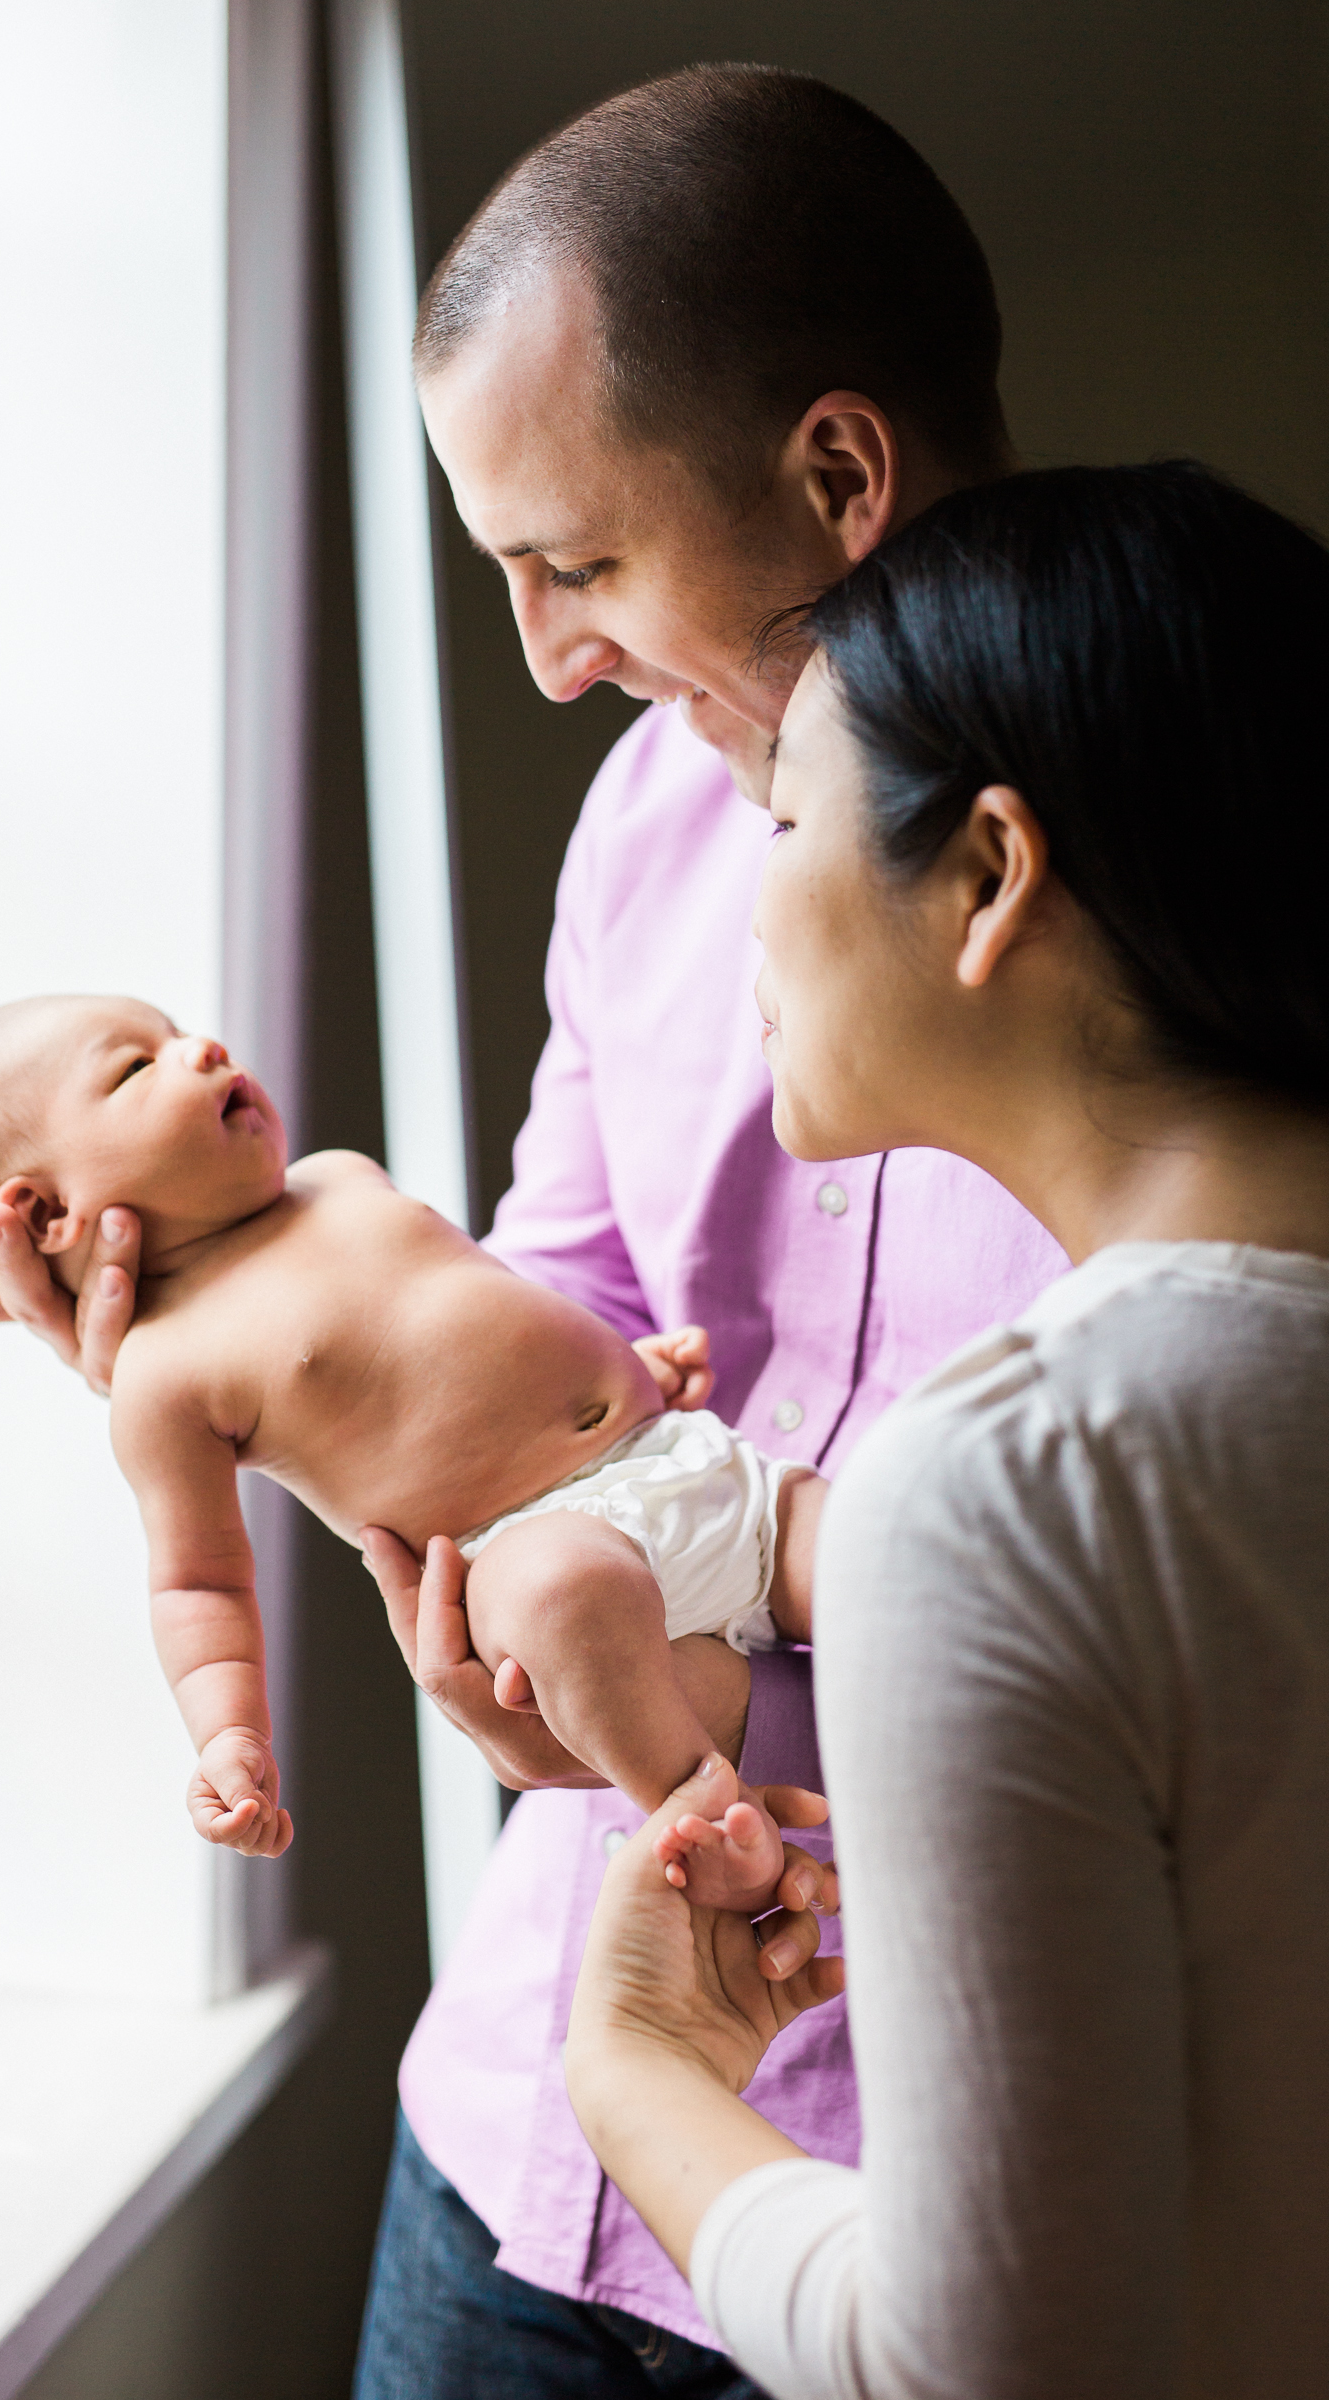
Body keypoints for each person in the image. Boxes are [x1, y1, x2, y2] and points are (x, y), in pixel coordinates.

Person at [0, 64, 1067, 2393]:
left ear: (834, 481)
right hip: (531, 2144)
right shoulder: (642, 822)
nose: (545, 659)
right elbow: (574, 1328)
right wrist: (259, 1372)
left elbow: (1159, 1587)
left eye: (580, 563)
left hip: (967, 2193)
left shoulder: (1209, 888)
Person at [566, 461, 1329, 2400]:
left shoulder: (1010, 1493)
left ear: (986, 875)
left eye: (790, 815)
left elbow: (989, 2363)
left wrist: (642, 2084)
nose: (744, 890)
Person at [0, 991, 831, 1886]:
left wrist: (622, 1363)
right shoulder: (163, 1373)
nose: (203, 1048)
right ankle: (701, 1809)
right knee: (567, 1599)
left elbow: (463, 1326)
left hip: (693, 1465)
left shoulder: (338, 1177)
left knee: (882, 1544)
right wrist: (229, 1738)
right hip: (535, 1551)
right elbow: (199, 1581)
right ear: (48, 1215)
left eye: (180, 1031)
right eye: (138, 1066)